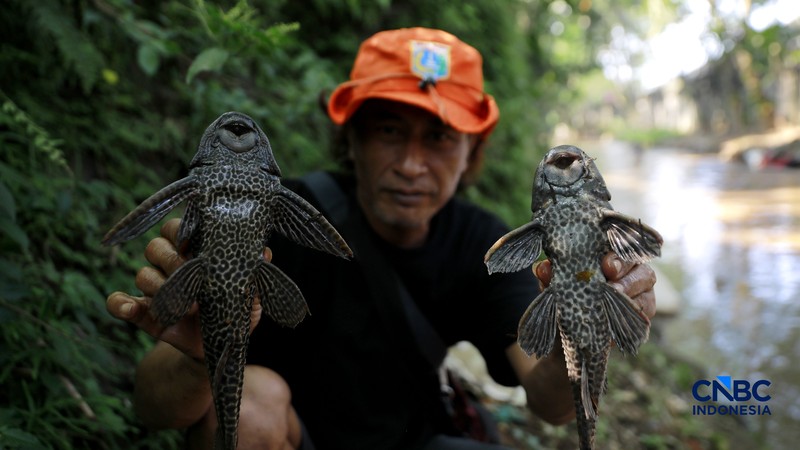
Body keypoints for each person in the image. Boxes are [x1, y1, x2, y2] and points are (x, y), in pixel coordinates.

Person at [106, 27, 658, 449]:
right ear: (352, 138)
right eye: (390, 131)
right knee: (251, 406)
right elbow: (153, 406)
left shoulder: (484, 243)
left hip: (417, 439)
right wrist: (197, 357)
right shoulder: (267, 216)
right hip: (293, 436)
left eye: (439, 137)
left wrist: (581, 340)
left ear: (471, 152)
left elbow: (549, 402)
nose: (412, 165)